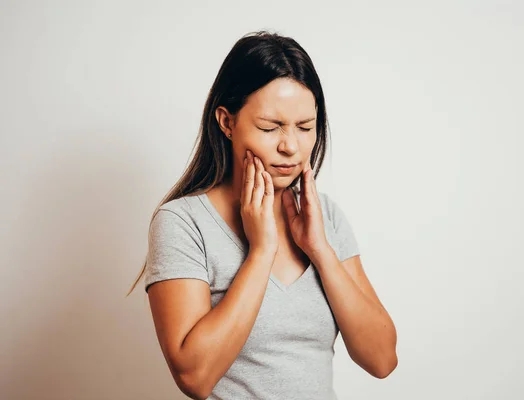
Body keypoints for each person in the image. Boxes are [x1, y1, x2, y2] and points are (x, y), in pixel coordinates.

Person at [127, 30, 397, 400]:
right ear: (227, 122)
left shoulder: (326, 217)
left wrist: (319, 249)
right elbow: (194, 376)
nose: (290, 146)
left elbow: (382, 359)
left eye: (305, 127)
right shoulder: (183, 223)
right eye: (270, 128)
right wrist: (261, 251)